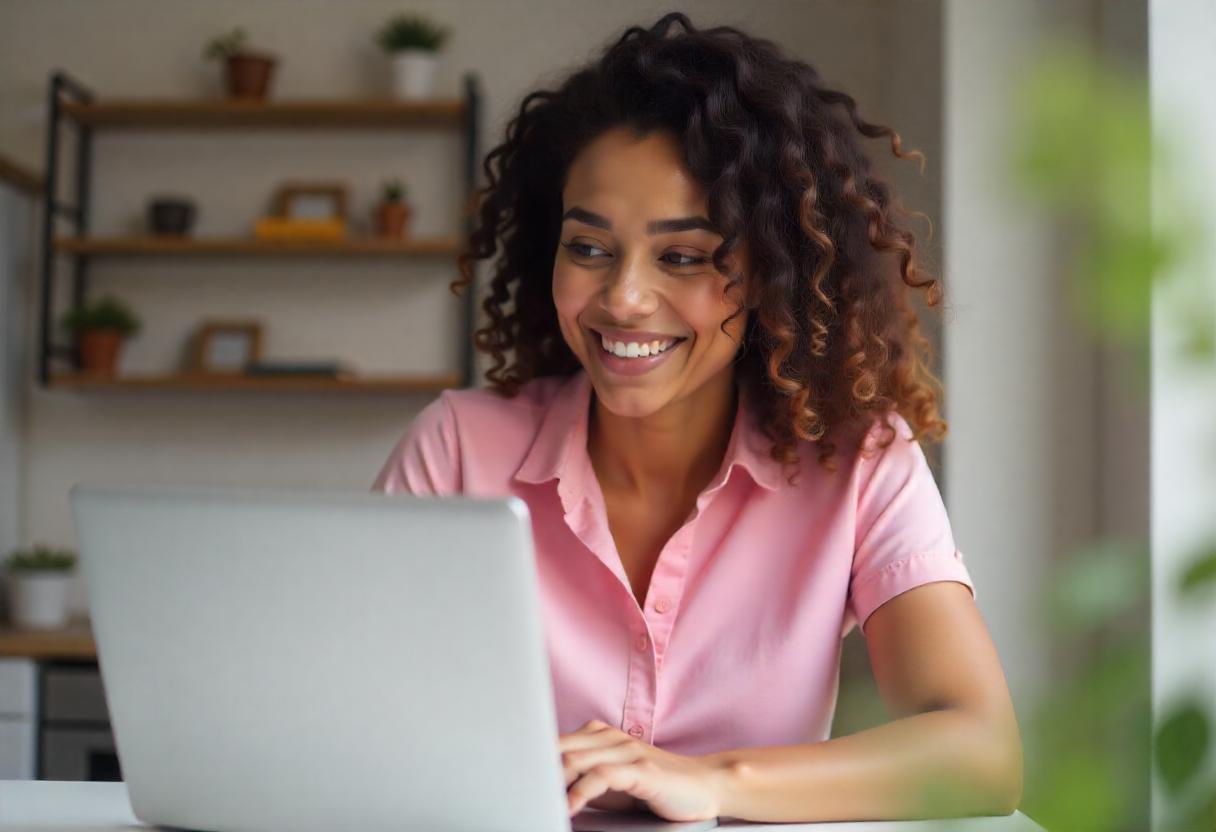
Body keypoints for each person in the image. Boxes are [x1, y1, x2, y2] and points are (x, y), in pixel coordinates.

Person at [372, 11, 1022, 825]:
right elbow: (358, 725)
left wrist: (708, 781)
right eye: (589, 247)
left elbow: (980, 754)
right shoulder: (458, 449)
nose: (623, 299)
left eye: (683, 256)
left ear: (774, 273)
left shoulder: (859, 462)